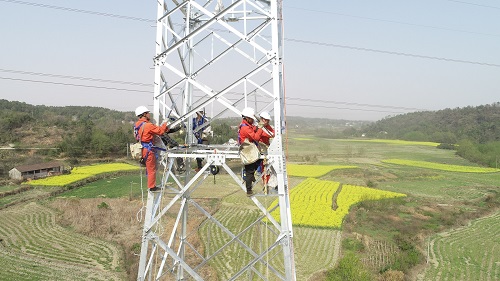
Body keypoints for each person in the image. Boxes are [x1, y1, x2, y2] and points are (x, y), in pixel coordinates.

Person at [134, 106, 169, 192]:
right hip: (148, 149)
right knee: (151, 168)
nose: (149, 114)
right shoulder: (148, 125)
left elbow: (136, 136)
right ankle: (152, 187)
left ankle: (151, 185)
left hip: (142, 148)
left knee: (150, 168)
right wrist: (165, 124)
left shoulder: (137, 125)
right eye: (148, 113)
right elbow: (160, 131)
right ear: (144, 114)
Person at [238, 107, 263, 196]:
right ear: (247, 118)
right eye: (252, 119)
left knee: (259, 160)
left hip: (249, 149)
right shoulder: (245, 128)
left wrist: (257, 127)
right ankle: (249, 190)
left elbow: (252, 129)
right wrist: (260, 128)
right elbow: (255, 137)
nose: (253, 121)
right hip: (247, 151)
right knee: (249, 171)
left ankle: (251, 178)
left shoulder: (246, 125)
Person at [258, 111, 276, 192]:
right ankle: (266, 183)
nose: (268, 122)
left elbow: (273, 133)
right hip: (261, 148)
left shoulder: (267, 126)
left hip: (267, 147)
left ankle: (270, 183)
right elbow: (268, 134)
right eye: (266, 120)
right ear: (262, 119)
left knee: (270, 168)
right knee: (264, 168)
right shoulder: (259, 127)